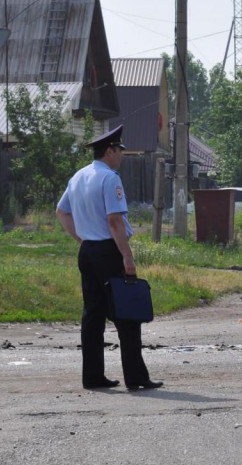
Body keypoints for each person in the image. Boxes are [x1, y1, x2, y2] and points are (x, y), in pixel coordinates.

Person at [56, 125, 163, 391]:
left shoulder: (78, 176)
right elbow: (115, 221)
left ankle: (92, 376)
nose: (121, 156)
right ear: (109, 151)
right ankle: (136, 378)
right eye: (119, 151)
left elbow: (61, 211)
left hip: (88, 250)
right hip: (108, 251)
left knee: (93, 314)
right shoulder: (110, 178)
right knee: (126, 314)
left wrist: (80, 237)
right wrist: (127, 257)